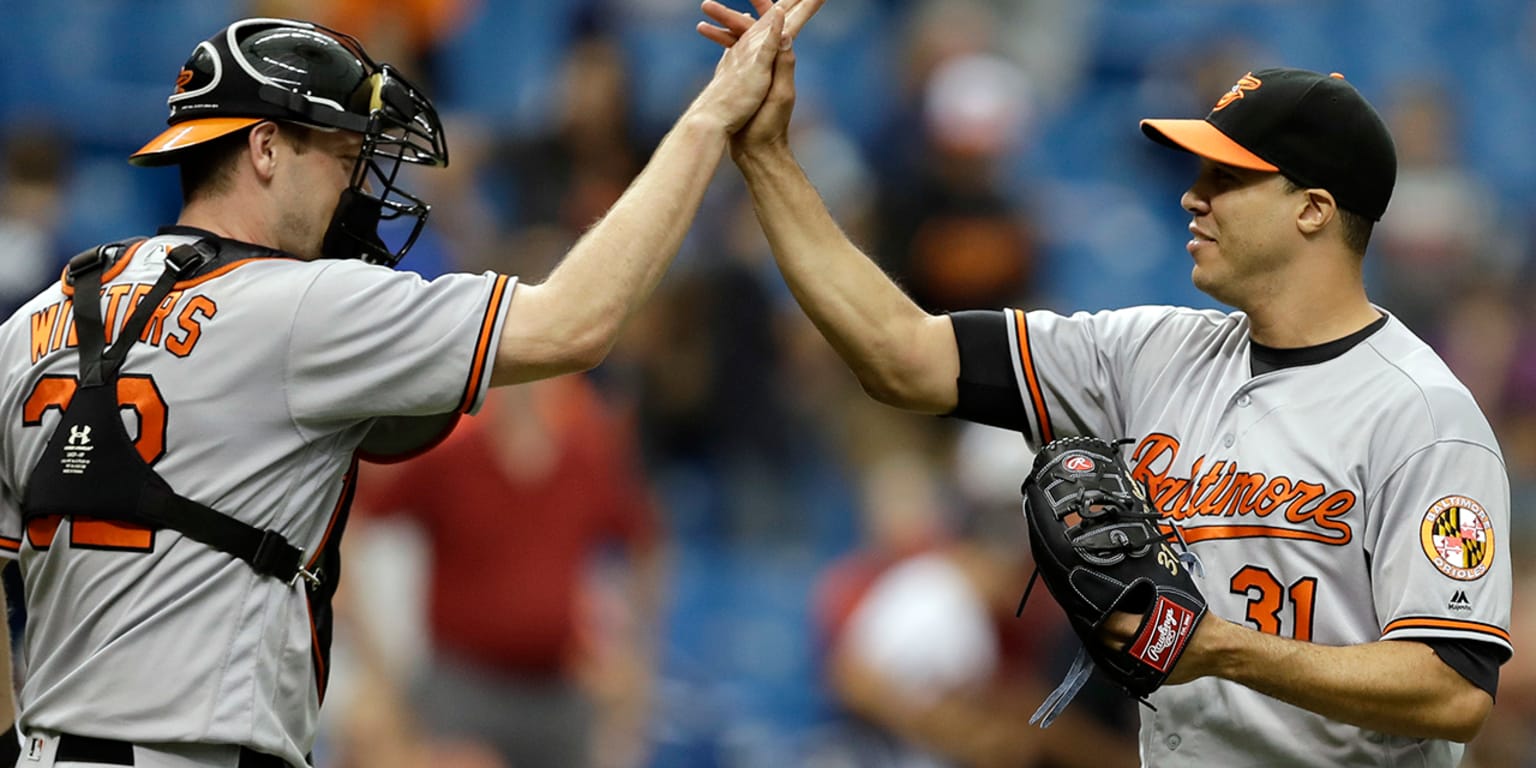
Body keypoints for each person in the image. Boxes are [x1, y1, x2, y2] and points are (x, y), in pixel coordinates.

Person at [699, 3, 1512, 766]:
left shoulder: (1425, 416)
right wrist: (767, 157)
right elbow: (901, 353)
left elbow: (1451, 689)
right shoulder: (1146, 353)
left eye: (1228, 178)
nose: (1193, 196)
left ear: (1313, 209)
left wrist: (1219, 648)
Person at [0, 6, 807, 767]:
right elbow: (576, 325)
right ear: (266, 148)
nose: (356, 190)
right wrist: (708, 120)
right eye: (345, 159)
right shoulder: (301, 306)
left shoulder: (36, 320)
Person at [342, 377, 665, 768]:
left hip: (558, 690)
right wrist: (375, 661)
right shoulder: (453, 462)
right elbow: (353, 519)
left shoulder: (586, 463)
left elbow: (646, 543)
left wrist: (633, 652)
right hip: (463, 690)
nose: (528, 390)